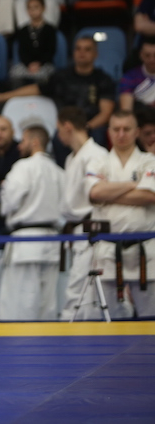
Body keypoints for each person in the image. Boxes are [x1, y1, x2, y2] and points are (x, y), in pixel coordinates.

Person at [0, 36, 116, 166]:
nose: (82, 53)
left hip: (92, 127)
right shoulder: (63, 76)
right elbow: (37, 89)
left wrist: (85, 128)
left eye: (87, 49)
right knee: (57, 140)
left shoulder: (103, 79)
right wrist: (3, 96)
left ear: (95, 54)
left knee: (98, 137)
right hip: (66, 126)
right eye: (78, 49)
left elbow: (105, 113)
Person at [86, 111, 155, 319]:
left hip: (145, 249)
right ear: (109, 132)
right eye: (116, 129)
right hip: (108, 249)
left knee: (150, 317)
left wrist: (110, 192)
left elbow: (148, 195)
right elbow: (95, 193)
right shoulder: (98, 161)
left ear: (137, 132)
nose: (121, 134)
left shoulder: (149, 161)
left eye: (126, 129)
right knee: (109, 318)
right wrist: (134, 184)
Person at [0, 125, 64, 321]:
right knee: (47, 303)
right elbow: (66, 207)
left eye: (23, 141)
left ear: (35, 142)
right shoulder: (59, 171)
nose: (19, 146)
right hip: (53, 241)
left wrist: (3, 191)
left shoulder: (23, 167)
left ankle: (18, 339)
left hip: (25, 240)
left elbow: (9, 202)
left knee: (19, 302)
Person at [55, 106, 108, 321]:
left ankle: (71, 333)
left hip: (92, 228)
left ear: (67, 126)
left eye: (59, 129)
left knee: (81, 291)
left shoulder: (96, 155)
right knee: (79, 289)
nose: (58, 135)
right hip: (77, 230)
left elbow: (97, 193)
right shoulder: (72, 158)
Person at [9, 0, 58, 87]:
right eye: (30, 8)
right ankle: (19, 95)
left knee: (44, 76)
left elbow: (51, 51)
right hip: (27, 65)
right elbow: (22, 51)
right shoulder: (23, 30)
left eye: (36, 7)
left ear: (43, 8)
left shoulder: (50, 30)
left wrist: (39, 63)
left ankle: (41, 95)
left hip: (45, 64)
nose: (33, 11)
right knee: (14, 73)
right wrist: (29, 64)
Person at [119, 37, 155, 113]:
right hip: (139, 118)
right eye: (147, 55)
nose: (152, 59)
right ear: (141, 55)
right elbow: (126, 111)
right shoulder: (130, 77)